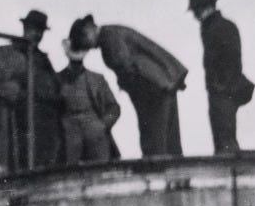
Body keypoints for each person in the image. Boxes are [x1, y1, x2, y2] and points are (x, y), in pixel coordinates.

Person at [71, 14, 187, 158]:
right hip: (164, 84)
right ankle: (176, 172)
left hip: (151, 90)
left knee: (154, 143)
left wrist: (136, 95)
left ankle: (159, 171)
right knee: (171, 142)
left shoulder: (108, 38)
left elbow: (126, 68)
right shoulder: (112, 31)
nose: (86, 47)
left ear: (89, 30)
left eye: (82, 41)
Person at [0, 9, 62, 172]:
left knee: (40, 167)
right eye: (34, 29)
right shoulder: (6, 53)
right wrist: (14, 91)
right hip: (14, 120)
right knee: (12, 164)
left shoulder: (43, 60)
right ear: (25, 28)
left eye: (40, 31)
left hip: (41, 127)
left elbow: (55, 88)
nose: (37, 34)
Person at [187, 0, 254, 153]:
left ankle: (231, 168)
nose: (195, 16)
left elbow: (231, 61)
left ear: (204, 8)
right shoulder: (217, 26)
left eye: (196, 10)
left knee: (225, 141)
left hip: (223, 92)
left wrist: (220, 87)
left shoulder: (218, 27)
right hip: (222, 91)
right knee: (224, 139)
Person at [57, 24, 121, 165]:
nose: (76, 64)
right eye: (74, 61)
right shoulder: (57, 79)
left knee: (100, 169)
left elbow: (114, 107)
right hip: (69, 134)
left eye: (78, 61)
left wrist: (102, 125)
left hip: (95, 133)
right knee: (68, 171)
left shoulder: (97, 79)